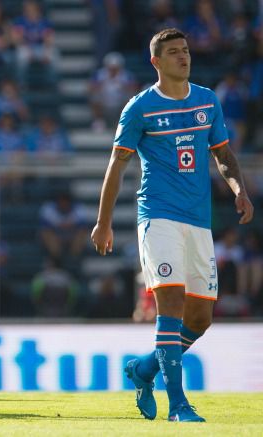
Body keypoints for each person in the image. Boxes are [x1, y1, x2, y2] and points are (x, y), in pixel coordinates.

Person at [91, 28, 254, 423]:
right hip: (158, 217)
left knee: (200, 319)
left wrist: (239, 189)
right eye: (174, 52)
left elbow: (223, 153)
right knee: (171, 308)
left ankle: (144, 370)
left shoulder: (207, 100)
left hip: (199, 221)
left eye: (186, 50)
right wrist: (104, 221)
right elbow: (118, 164)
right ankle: (178, 405)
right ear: (156, 61)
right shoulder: (140, 108)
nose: (184, 57)